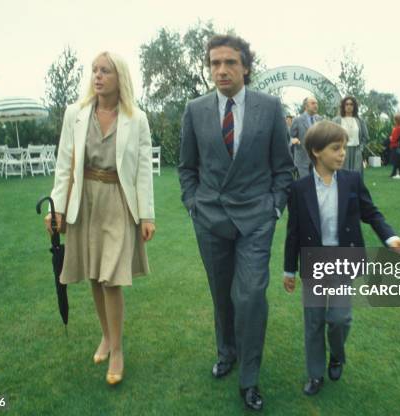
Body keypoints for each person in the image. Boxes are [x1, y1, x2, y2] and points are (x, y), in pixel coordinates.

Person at [178, 34, 293, 411]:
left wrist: (275, 207)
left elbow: (283, 168)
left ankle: (250, 378)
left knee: (251, 296)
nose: (221, 70)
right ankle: (227, 352)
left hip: (257, 219)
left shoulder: (270, 107)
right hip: (210, 217)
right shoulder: (195, 110)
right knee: (222, 294)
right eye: (214, 63)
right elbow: (186, 166)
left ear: (246, 66)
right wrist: (193, 203)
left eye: (229, 62)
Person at [44, 51, 155, 386]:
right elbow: (64, 165)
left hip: (119, 202)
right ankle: (106, 336)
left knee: (112, 278)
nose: (98, 76)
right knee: (94, 274)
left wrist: (147, 214)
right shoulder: (74, 114)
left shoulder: (136, 118)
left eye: (105, 70)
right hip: (84, 201)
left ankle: (117, 349)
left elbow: (144, 171)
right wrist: (57, 209)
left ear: (119, 76)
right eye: (94, 70)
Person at [282, 120, 400, 396]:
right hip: (313, 262)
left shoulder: (352, 180)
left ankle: (337, 355)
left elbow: (372, 214)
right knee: (313, 321)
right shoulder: (299, 189)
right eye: (335, 148)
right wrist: (289, 270)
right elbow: (293, 232)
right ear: (316, 151)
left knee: (339, 319)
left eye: (343, 148)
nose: (342, 153)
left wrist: (390, 238)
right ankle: (315, 375)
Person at [332, 96, 369, 176]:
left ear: (354, 106)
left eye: (351, 104)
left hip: (356, 151)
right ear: (343, 106)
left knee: (356, 174)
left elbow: (365, 137)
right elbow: (331, 136)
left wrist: (361, 148)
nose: (349, 106)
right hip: (342, 150)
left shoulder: (360, 120)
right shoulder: (336, 120)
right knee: (342, 174)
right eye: (346, 104)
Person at [291, 96, 323, 177]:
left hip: (317, 160)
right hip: (302, 160)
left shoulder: (320, 119)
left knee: (316, 185)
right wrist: (294, 140)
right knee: (304, 185)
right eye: (313, 103)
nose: (316, 105)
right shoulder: (297, 120)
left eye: (316, 103)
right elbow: (290, 137)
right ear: (306, 106)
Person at [389, 113, 400, 179]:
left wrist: (391, 138)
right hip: (398, 146)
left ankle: (394, 173)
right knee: (398, 160)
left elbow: (395, 138)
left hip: (396, 146)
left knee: (396, 160)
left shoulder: (398, 128)